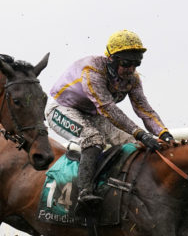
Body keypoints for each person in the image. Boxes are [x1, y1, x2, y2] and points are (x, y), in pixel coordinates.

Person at [46, 29, 174, 206]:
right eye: (127, 63)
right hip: (62, 108)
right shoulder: (93, 69)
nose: (131, 70)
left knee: (132, 143)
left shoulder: (133, 80)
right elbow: (108, 109)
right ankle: (84, 192)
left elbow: (144, 109)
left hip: (92, 113)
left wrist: (164, 134)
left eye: (136, 64)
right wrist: (141, 133)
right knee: (93, 139)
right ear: (112, 59)